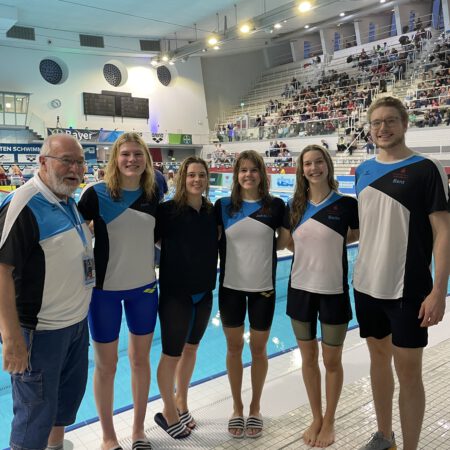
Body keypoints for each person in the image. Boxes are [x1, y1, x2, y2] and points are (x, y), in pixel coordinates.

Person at [354, 97, 450, 450]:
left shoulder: (427, 168)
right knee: (378, 361)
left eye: (390, 121)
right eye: (376, 122)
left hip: (408, 288)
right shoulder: (361, 170)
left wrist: (439, 290)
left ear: (405, 124)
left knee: (409, 373)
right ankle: (385, 436)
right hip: (365, 285)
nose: (383, 128)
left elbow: (443, 231)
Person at [0, 134, 93, 450]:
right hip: (40, 334)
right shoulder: (23, 204)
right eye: (66, 160)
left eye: (80, 162)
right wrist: (11, 339)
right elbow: (1, 272)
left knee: (64, 404)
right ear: (42, 162)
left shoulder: (67, 199)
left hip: (76, 327)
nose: (75, 169)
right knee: (33, 417)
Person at [78, 132, 159, 450]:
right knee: (107, 365)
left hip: (144, 290)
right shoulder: (95, 195)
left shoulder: (155, 191)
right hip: (104, 294)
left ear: (146, 160)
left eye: (138, 154)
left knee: (140, 361)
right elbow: (76, 242)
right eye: (125, 154)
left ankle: (139, 430)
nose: (131, 160)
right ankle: (108, 436)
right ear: (115, 159)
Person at [278, 145, 359, 448]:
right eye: (307, 164)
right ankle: (316, 416)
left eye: (318, 162)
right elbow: (286, 243)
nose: (313, 168)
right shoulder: (293, 206)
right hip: (300, 291)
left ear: (328, 165)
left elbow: (355, 235)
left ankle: (330, 420)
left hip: (333, 292)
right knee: (308, 359)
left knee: (332, 360)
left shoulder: (346, 204)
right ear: (301, 170)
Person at [215, 150, 285, 439]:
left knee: (258, 349)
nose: (248, 175)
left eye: (253, 170)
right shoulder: (223, 206)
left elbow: (285, 242)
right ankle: (237, 407)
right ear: (236, 175)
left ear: (262, 174)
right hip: (230, 287)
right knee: (233, 349)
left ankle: (255, 407)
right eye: (243, 170)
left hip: (263, 290)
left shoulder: (276, 206)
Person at [154, 156, 218, 439]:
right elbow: (155, 242)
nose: (197, 180)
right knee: (171, 355)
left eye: (201, 175)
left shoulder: (211, 210)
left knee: (191, 350)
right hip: (175, 295)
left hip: (204, 292)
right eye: (191, 175)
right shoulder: (167, 211)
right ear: (183, 178)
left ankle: (182, 403)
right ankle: (168, 411)